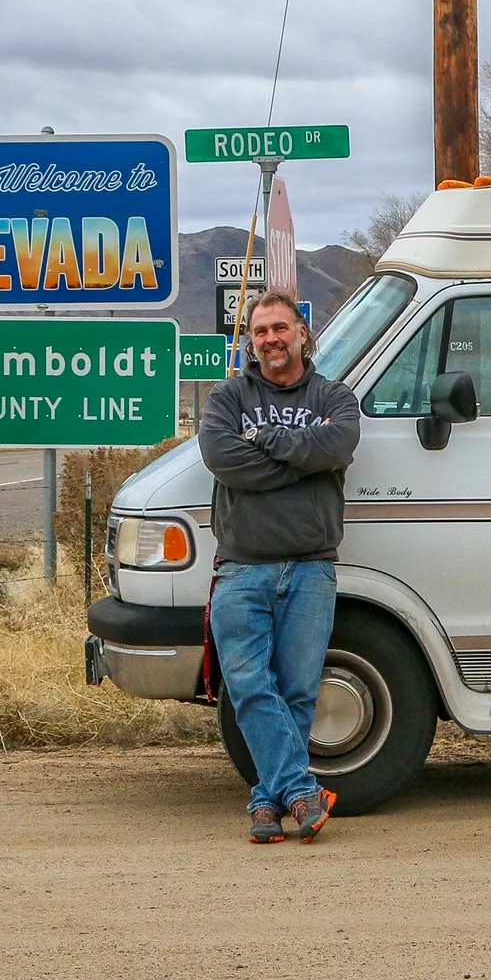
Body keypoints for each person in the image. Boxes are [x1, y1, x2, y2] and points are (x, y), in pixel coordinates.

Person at [198, 291, 361, 844]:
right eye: (261, 330)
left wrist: (265, 439)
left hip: (312, 568)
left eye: (281, 328)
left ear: (302, 333)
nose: (271, 338)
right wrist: (302, 461)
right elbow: (225, 461)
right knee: (246, 685)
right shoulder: (227, 397)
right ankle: (300, 792)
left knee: (298, 692)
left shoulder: (333, 395)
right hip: (242, 569)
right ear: (250, 339)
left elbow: (336, 446)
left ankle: (267, 802)